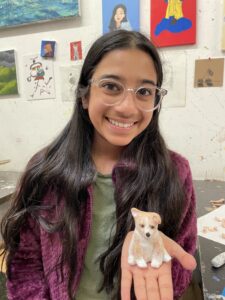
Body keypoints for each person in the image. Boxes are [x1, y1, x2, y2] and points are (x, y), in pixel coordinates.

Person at [1, 30, 197, 300]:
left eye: (144, 91)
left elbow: (178, 268)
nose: (127, 107)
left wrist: (152, 252)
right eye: (111, 86)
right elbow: (25, 269)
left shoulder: (175, 174)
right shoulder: (46, 171)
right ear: (84, 95)